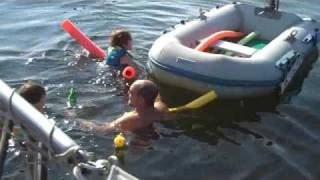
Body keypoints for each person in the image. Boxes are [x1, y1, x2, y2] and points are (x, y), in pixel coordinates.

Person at [81, 80, 171, 133]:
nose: (128, 93)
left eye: (131, 92)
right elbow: (156, 93)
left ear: (141, 100)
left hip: (139, 138)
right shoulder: (161, 106)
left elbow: (101, 129)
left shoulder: (129, 120)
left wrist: (76, 119)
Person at [17, 81, 48, 180]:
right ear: (36, 103)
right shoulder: (38, 119)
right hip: (28, 146)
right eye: (43, 100)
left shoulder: (17, 114)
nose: (44, 103)